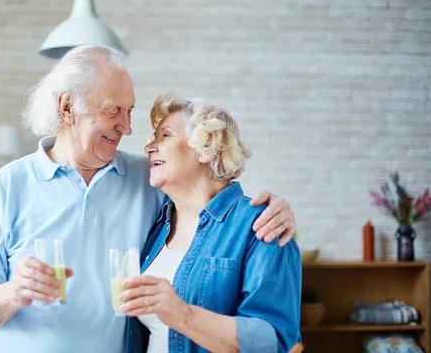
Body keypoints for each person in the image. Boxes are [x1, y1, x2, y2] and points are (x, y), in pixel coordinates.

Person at [0, 46, 297, 353]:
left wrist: (277, 210)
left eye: (130, 111)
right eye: (113, 111)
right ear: (67, 107)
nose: (128, 128)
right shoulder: (10, 183)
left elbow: (210, 200)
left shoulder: (145, 180)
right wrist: (12, 294)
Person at [120, 93, 302, 353]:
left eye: (165, 136)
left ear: (206, 148)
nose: (149, 147)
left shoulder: (262, 226)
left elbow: (273, 341)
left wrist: (182, 314)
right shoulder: (157, 224)